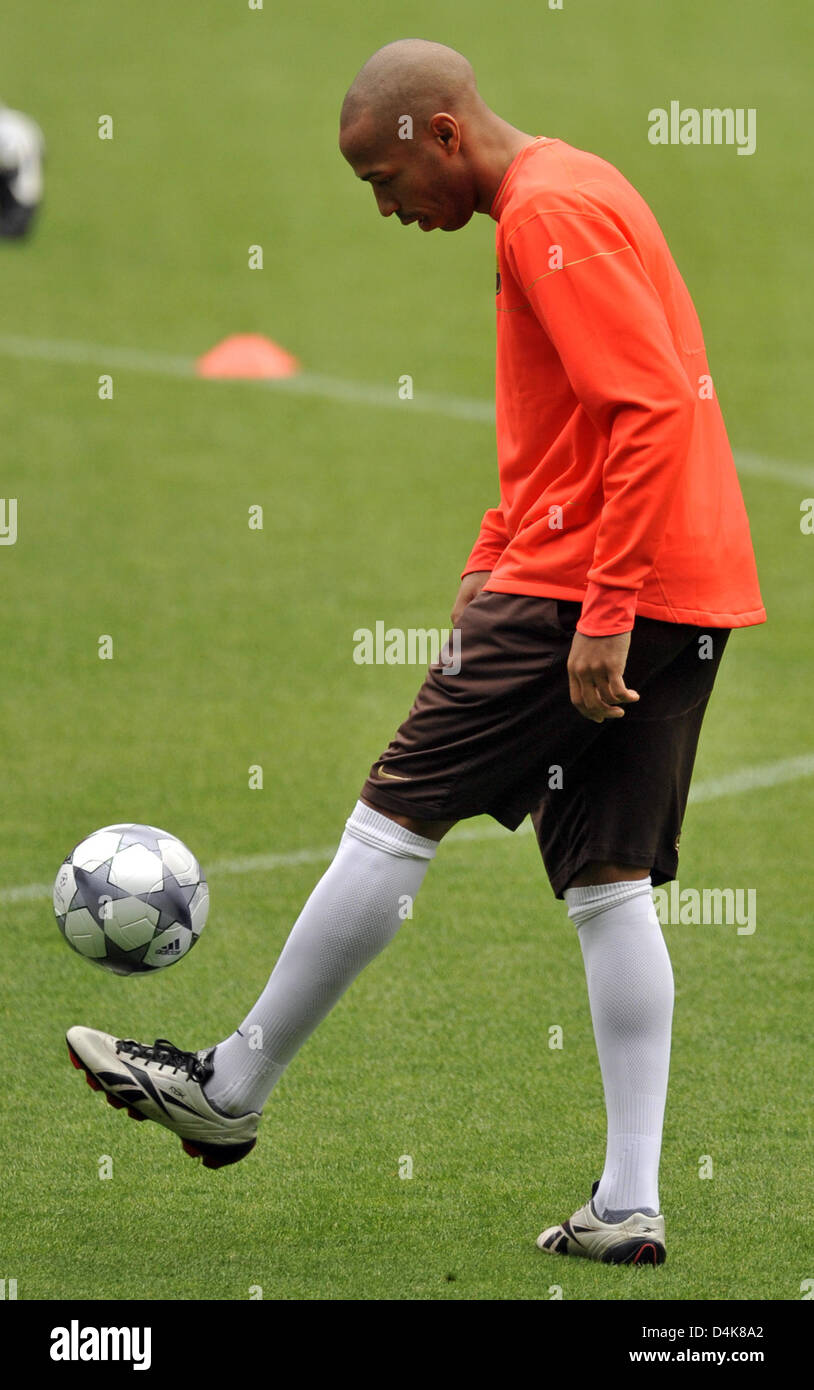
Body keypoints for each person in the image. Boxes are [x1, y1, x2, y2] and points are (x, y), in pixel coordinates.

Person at [67, 39, 765, 1266]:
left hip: (592, 583)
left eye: (382, 180)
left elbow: (645, 406)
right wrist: (491, 549)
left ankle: (230, 1087)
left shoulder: (546, 213)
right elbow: (561, 420)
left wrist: (598, 606)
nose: (387, 210)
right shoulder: (572, 187)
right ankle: (629, 1200)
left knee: (393, 816)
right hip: (677, 581)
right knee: (609, 885)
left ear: (440, 132)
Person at [0, 103, 44, 238]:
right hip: (31, 193)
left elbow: (10, 170)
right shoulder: (20, 122)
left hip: (15, 202)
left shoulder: (5, 133)